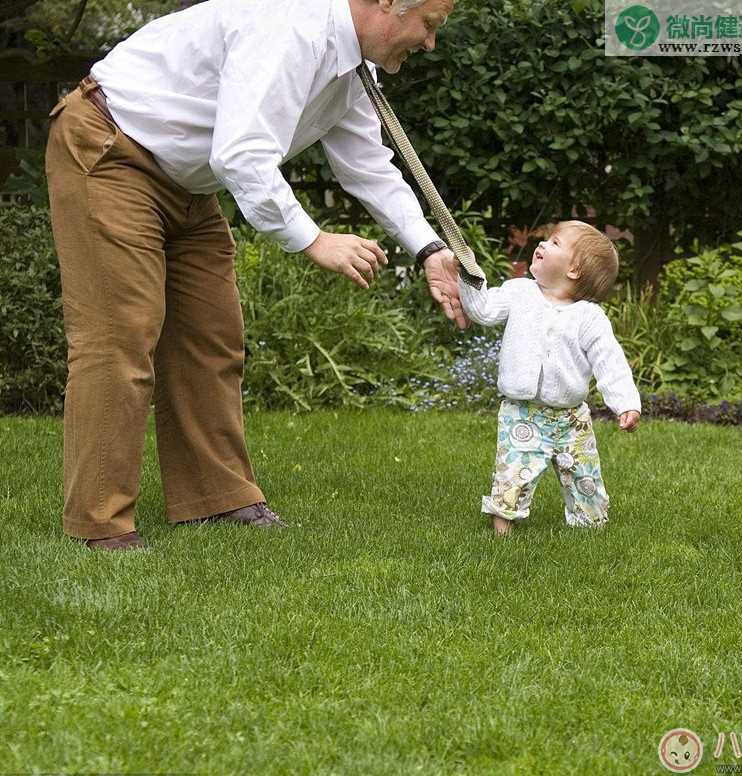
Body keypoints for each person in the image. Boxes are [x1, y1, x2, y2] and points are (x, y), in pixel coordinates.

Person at [45, 0, 466, 551]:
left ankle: (214, 500)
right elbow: (242, 155)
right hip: (110, 150)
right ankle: (98, 522)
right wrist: (314, 240)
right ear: (387, 3)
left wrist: (428, 248)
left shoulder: (349, 66)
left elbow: (367, 165)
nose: (429, 43)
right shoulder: (292, 28)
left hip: (187, 183)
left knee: (212, 337)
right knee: (119, 336)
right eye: (429, 26)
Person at [457, 220, 641, 537]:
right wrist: (470, 277)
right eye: (546, 240)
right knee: (513, 471)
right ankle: (503, 527)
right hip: (522, 411)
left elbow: (609, 361)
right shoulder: (520, 292)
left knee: (585, 474)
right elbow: (484, 310)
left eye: (555, 243)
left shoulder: (588, 317)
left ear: (574, 271)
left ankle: (590, 523)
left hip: (572, 418)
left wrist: (625, 403)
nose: (541, 245)